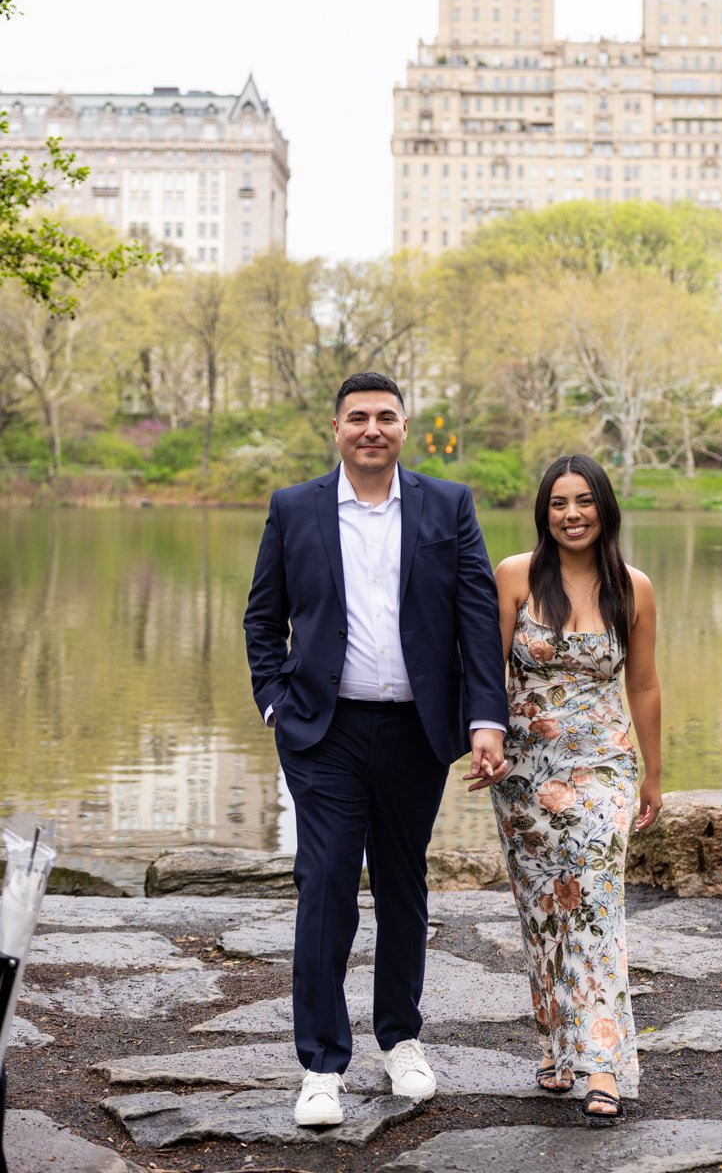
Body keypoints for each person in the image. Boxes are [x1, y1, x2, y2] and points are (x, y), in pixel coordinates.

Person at [243, 372, 509, 1127]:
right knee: (325, 882)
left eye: (384, 417)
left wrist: (484, 719)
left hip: (415, 731)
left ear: (404, 428)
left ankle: (400, 1039)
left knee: (402, 885)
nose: (371, 429)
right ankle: (321, 1064)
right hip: (321, 731)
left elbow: (475, 619)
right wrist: (274, 701)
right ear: (335, 429)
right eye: (357, 417)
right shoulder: (294, 507)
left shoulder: (447, 504)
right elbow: (262, 619)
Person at [473, 454, 662, 1124]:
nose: (572, 513)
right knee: (543, 912)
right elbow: (484, 673)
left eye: (583, 501)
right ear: (543, 512)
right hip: (523, 772)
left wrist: (653, 775)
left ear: (604, 508)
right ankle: (557, 1047)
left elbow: (641, 685)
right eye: (559, 502)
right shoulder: (514, 576)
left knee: (595, 908)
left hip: (603, 768)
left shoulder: (632, 587)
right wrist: (484, 739)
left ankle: (604, 1064)